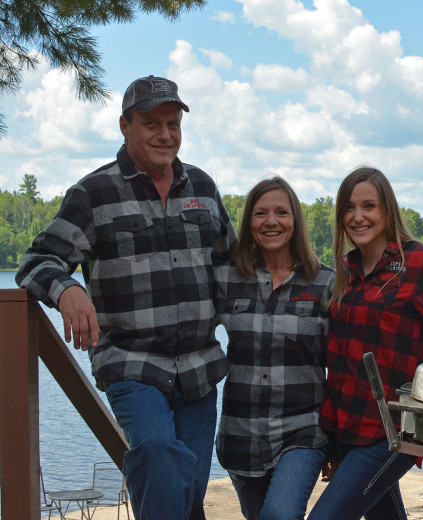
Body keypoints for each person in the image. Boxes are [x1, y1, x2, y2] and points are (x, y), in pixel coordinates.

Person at [16, 75, 236, 520]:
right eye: (151, 123)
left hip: (199, 367)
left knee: (189, 486)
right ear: (125, 126)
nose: (165, 134)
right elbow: (37, 261)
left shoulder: (204, 188)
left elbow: (232, 268)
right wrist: (68, 289)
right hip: (132, 363)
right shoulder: (92, 193)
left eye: (173, 123)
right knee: (154, 449)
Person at [308, 166, 423, 520]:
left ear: (387, 210)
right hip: (348, 428)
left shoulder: (421, 264)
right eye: (349, 208)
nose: (358, 217)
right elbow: (341, 361)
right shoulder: (349, 271)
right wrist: (330, 436)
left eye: (368, 206)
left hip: (393, 432)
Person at [214, 177, 335, 520]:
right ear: (248, 223)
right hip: (240, 437)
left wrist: (338, 442)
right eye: (260, 213)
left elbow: (342, 367)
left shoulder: (325, 282)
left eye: (281, 212)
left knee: (280, 515)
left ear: (295, 220)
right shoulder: (226, 279)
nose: (271, 222)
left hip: (303, 431)